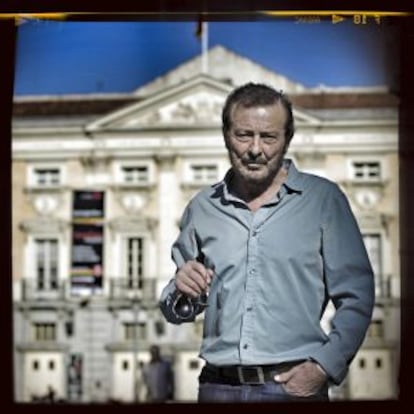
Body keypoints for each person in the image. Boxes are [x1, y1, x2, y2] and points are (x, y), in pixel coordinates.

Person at [159, 82, 375, 403]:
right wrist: (179, 291)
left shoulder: (323, 200)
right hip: (217, 387)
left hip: (293, 387)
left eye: (269, 137)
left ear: (287, 140)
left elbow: (357, 294)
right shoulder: (202, 208)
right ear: (226, 135)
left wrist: (324, 366)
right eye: (244, 135)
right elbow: (179, 302)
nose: (256, 149)